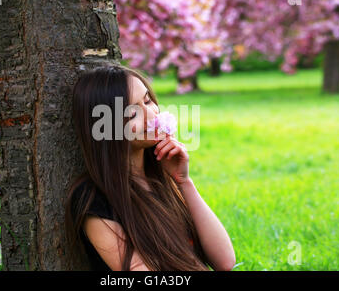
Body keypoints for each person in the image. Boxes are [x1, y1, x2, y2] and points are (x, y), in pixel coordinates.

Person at [64, 64, 235, 271]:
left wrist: (184, 183)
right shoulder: (93, 198)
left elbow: (225, 261)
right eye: (133, 112)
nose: (151, 115)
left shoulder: (161, 177)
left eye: (147, 101)